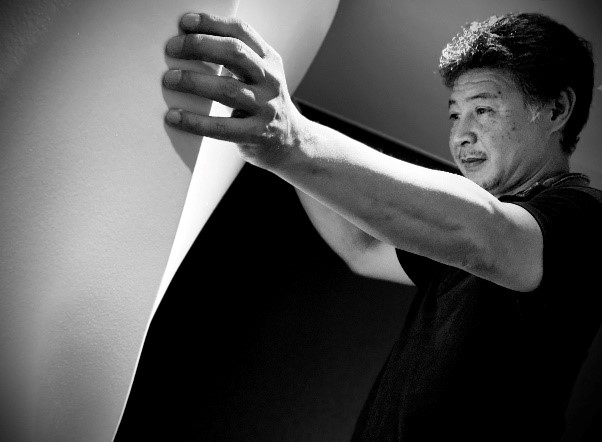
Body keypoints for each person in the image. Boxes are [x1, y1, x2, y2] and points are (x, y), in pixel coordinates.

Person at [162, 11, 602, 441]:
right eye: (454, 115)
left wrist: (293, 139)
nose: (461, 136)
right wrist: (282, 153)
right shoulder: (459, 239)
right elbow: (363, 247)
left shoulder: (584, 216)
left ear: (556, 109)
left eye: (483, 110)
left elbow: (484, 234)